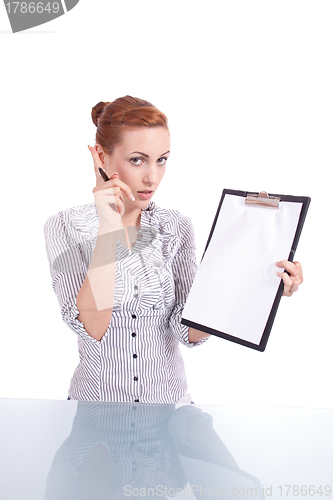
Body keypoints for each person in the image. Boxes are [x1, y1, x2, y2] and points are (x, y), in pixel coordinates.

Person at [44, 95, 303, 404]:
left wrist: (259, 289)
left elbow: (188, 330)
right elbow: (91, 327)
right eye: (137, 159)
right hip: (97, 411)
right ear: (101, 156)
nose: (152, 177)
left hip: (171, 411)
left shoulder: (175, 226)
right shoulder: (64, 225)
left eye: (162, 159)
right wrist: (109, 227)